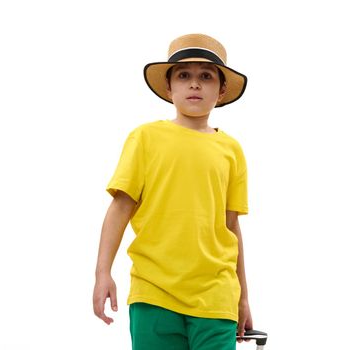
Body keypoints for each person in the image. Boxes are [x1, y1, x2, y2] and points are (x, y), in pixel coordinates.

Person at [93, 33, 252, 350]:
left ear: (220, 91)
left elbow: (231, 226)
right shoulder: (145, 138)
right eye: (184, 75)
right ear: (169, 87)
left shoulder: (231, 150)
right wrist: (102, 273)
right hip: (154, 292)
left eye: (206, 76)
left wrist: (243, 298)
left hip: (216, 296)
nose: (195, 84)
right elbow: (120, 208)